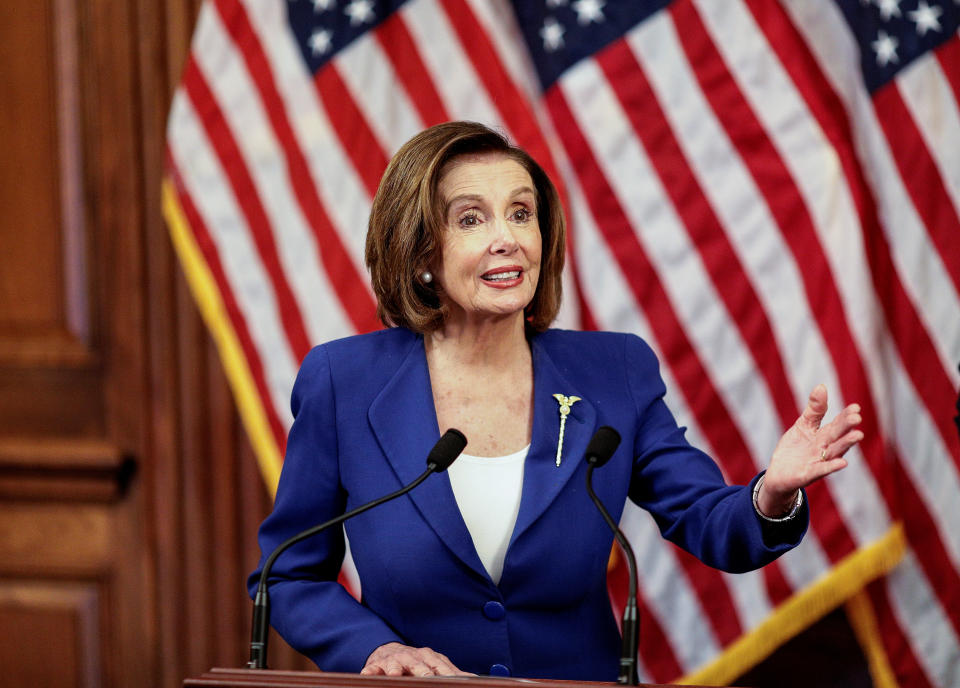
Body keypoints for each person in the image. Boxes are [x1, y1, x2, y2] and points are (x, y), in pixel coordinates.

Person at [249, 121, 863, 680]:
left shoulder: (611, 372)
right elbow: (287, 574)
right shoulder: (343, 383)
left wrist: (772, 494)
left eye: (521, 213)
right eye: (470, 219)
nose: (506, 239)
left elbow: (708, 520)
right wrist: (374, 651)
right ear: (420, 251)